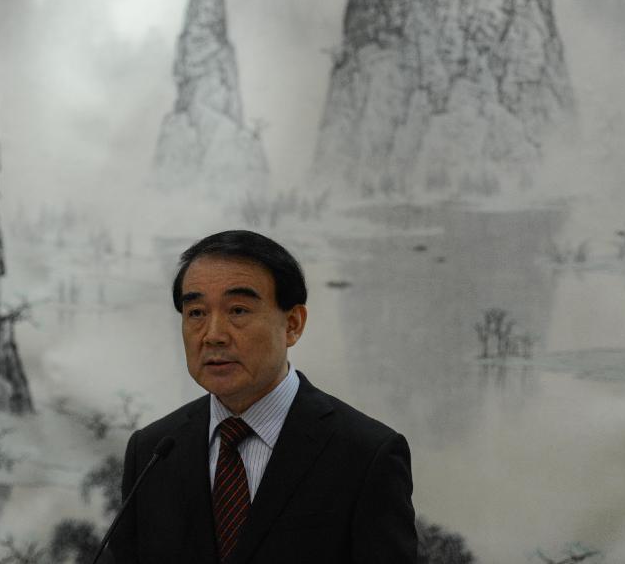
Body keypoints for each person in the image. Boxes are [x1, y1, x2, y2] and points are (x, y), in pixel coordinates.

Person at [110, 230, 416, 563]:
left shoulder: (366, 455)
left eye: (238, 311)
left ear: (293, 324)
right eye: (196, 313)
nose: (213, 335)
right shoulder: (153, 451)